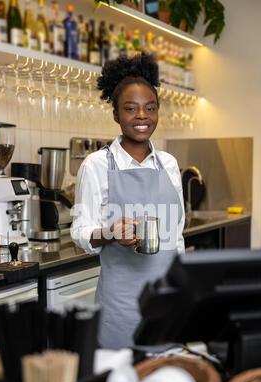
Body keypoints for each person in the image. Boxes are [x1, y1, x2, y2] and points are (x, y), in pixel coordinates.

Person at [71, 53, 185, 350]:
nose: (142, 116)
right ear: (116, 114)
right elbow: (80, 232)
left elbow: (178, 234)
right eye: (131, 109)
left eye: (150, 108)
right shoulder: (96, 165)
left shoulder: (169, 164)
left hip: (166, 300)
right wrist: (110, 233)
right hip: (120, 305)